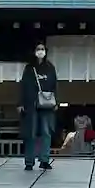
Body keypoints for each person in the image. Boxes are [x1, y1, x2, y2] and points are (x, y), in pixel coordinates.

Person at [18, 42, 59, 171]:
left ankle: (44, 160)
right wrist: (20, 103)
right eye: (38, 49)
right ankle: (29, 161)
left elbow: (55, 85)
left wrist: (56, 101)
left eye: (42, 49)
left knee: (46, 132)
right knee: (31, 133)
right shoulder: (29, 68)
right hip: (31, 104)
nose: (40, 51)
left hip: (47, 104)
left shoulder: (50, 67)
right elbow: (23, 86)